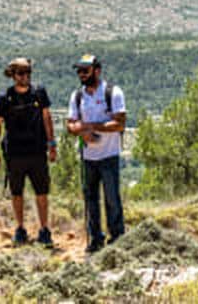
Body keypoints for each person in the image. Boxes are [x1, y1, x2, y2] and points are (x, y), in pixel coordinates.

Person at [0, 57, 57, 247]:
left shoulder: (39, 93)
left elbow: (47, 119)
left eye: (28, 72)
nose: (25, 76)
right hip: (14, 153)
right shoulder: (5, 98)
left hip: (37, 150)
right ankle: (20, 228)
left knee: (42, 192)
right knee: (16, 193)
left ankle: (44, 229)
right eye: (21, 73)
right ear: (12, 75)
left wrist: (52, 145)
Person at [66, 54, 126, 253]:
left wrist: (91, 126)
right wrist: (81, 131)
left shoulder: (113, 92)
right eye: (79, 71)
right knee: (90, 199)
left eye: (86, 70)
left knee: (111, 199)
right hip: (88, 157)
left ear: (97, 71)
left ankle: (117, 238)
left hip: (109, 155)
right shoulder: (77, 96)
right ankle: (95, 240)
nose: (81, 74)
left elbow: (119, 123)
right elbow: (70, 124)